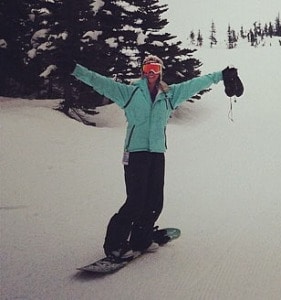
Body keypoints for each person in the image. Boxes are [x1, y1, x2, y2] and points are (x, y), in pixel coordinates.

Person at [65, 54, 243, 261]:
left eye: (155, 68)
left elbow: (195, 84)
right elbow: (99, 81)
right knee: (135, 201)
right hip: (135, 153)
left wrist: (220, 75)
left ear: (160, 72)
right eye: (148, 67)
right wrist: (75, 69)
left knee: (155, 201)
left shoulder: (170, 94)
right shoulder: (129, 93)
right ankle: (114, 244)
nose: (151, 72)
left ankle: (141, 239)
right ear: (142, 71)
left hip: (157, 153)